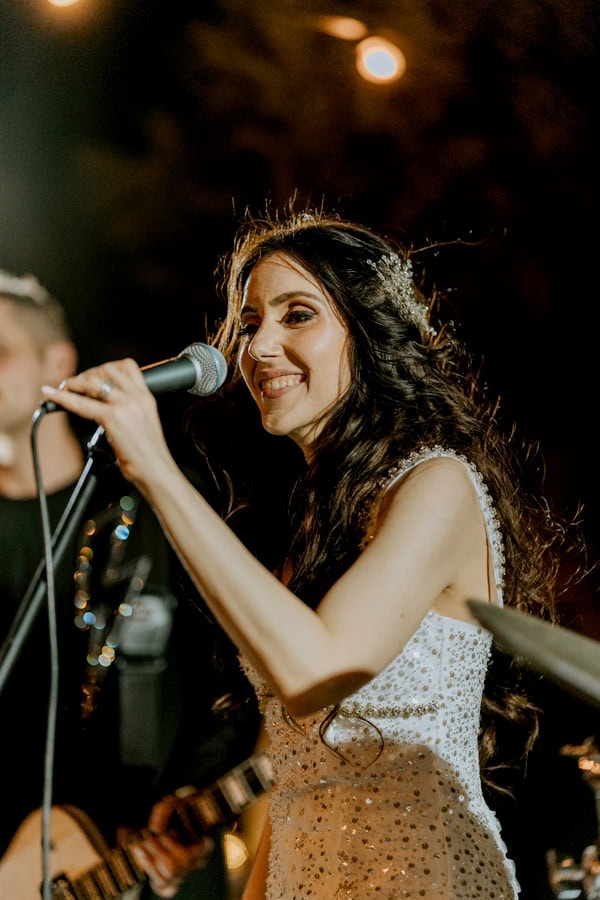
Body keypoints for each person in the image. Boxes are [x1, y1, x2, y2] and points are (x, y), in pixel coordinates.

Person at [41, 207, 583, 899]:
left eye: (297, 315)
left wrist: (154, 467)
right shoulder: (304, 523)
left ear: (370, 333)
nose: (259, 345)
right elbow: (302, 780)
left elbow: (320, 668)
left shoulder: (436, 484)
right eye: (249, 322)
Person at [0, 269, 260, 898]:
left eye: (1, 352)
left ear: (56, 362)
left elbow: (237, 679)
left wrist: (188, 800)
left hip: (142, 864)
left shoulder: (148, 508)